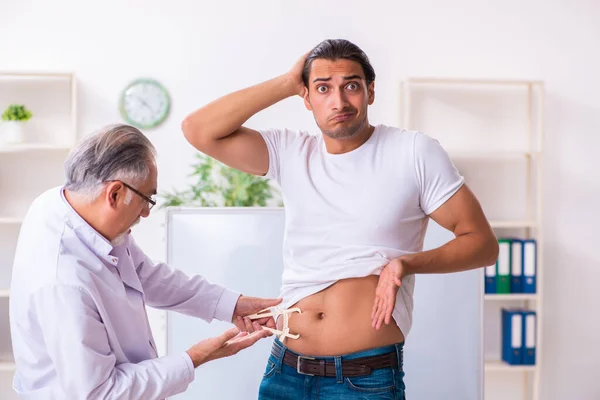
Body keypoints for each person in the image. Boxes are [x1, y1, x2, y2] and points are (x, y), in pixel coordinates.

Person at [181, 38, 499, 399]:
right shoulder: (290, 151)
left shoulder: (413, 152)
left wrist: (403, 265)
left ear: (370, 91)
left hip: (364, 377)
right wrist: (288, 81)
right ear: (306, 98)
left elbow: (482, 244)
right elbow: (198, 130)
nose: (339, 101)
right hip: (284, 370)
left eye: (351, 85)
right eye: (322, 88)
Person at [9, 124, 282, 399]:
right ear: (114, 193)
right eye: (146, 199)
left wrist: (232, 304)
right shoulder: (64, 283)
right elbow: (99, 394)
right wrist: (195, 358)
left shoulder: (68, 206)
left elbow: (144, 274)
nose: (146, 212)